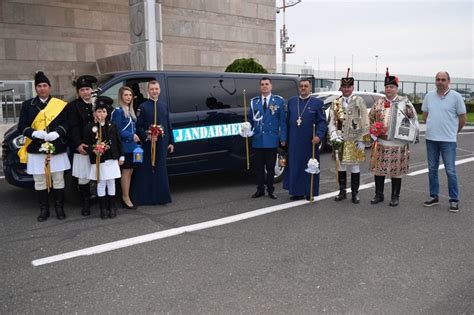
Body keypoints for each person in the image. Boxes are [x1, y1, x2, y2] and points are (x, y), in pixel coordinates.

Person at [17, 71, 70, 221]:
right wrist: (34, 133)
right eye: (39, 86)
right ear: (36, 88)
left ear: (50, 87)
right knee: (40, 180)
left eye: (45, 85)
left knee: (58, 179)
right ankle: (44, 209)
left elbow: (67, 123)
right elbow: (22, 126)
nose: (42, 88)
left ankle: (59, 208)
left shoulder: (60, 105)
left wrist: (58, 132)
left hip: (56, 146)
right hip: (36, 148)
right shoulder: (28, 105)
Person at [369, 68, 418, 207]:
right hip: (381, 142)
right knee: (379, 170)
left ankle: (395, 196)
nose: (388, 89)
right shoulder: (378, 102)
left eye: (391, 87)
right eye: (387, 87)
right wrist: (373, 131)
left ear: (396, 88)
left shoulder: (405, 102)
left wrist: (409, 115)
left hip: (398, 143)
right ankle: (379, 194)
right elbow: (370, 118)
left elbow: (413, 120)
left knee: (396, 171)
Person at [422, 71, 467, 212]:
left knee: (450, 170)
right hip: (431, 139)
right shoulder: (429, 96)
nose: (440, 82)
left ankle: (454, 199)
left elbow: (462, 118)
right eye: (437, 79)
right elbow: (425, 115)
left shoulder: (456, 97)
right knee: (432, 170)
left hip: (448, 141)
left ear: (448, 81)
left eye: (443, 79)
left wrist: (454, 132)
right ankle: (433, 196)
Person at [327, 69, 369, 203]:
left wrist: (363, 140)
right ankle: (342, 191)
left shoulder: (359, 101)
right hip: (340, 139)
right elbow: (332, 121)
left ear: (352, 87)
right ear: (340, 88)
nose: (346, 89)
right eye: (344, 87)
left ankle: (355, 193)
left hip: (355, 139)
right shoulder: (336, 102)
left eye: (348, 87)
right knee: (341, 166)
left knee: (355, 167)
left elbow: (365, 121)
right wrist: (333, 133)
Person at [131, 80, 174, 205]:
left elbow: (168, 125)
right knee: (146, 170)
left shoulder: (163, 105)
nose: (154, 91)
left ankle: (161, 198)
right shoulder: (143, 107)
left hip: (162, 143)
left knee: (161, 170)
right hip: (148, 144)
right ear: (148, 91)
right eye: (152, 89)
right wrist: (147, 136)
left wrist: (171, 141)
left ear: (159, 90)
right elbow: (138, 127)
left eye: (156, 89)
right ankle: (145, 198)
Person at [283, 78, 327, 200]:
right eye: (301, 86)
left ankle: (309, 191)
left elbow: (322, 122)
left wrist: (319, 135)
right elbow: (287, 121)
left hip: (310, 141)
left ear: (310, 88)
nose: (303, 88)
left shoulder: (317, 103)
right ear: (299, 88)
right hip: (294, 140)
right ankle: (296, 192)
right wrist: (284, 137)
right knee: (295, 166)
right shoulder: (292, 101)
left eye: (306, 86)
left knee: (310, 165)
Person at [84, 96, 124, 219]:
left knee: (111, 183)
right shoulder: (90, 127)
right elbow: (86, 145)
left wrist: (121, 156)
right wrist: (93, 149)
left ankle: (112, 207)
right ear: (95, 113)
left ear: (107, 113)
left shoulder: (112, 125)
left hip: (111, 158)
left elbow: (118, 141)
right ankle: (103, 209)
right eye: (99, 111)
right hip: (99, 159)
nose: (101, 114)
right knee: (101, 184)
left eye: (104, 111)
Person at [248, 77, 287, 199]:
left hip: (271, 139)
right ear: (260, 87)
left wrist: (283, 137)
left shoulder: (279, 101)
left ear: (271, 86)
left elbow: (282, 122)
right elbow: (250, 120)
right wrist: (246, 128)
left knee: (270, 168)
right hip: (258, 139)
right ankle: (260, 190)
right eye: (262, 84)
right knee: (259, 168)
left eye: (267, 84)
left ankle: (270, 190)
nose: (264, 86)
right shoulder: (254, 102)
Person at [67, 75, 97, 216]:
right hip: (83, 146)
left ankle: (100, 199)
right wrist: (78, 144)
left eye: (88, 89)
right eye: (82, 90)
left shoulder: (97, 105)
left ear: (92, 90)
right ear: (78, 92)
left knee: (99, 173)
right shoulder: (73, 106)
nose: (86, 92)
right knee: (83, 176)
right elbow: (73, 127)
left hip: (98, 145)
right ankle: (85, 202)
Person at [111, 86, 141, 210]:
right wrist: (131, 135)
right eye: (125, 95)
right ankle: (125, 197)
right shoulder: (118, 111)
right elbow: (116, 131)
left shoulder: (130, 110)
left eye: (130, 95)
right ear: (121, 97)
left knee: (130, 171)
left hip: (132, 147)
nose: (128, 97)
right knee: (126, 172)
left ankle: (126, 195)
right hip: (124, 146)